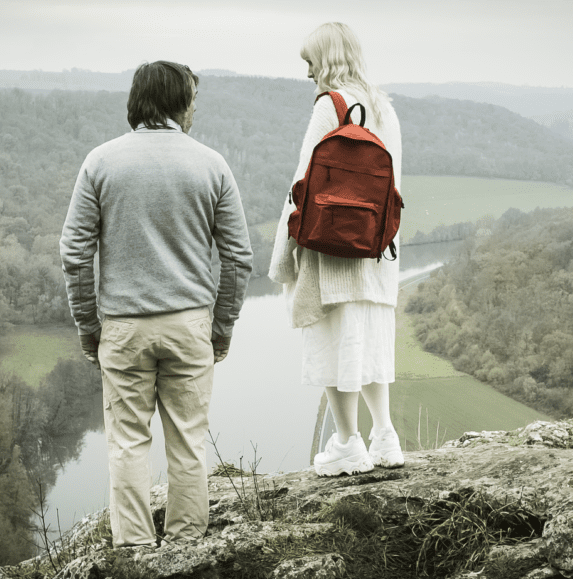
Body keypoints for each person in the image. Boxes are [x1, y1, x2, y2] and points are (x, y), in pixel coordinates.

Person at [60, 60, 253, 547]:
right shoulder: (212, 165)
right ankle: (187, 550)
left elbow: (75, 253)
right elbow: (238, 258)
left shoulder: (100, 162)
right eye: (192, 99)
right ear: (177, 102)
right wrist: (222, 327)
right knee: (189, 444)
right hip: (190, 327)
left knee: (127, 444)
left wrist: (88, 325)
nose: (194, 110)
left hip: (123, 328)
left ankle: (135, 550)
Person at [269, 23, 405, 477]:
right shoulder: (385, 107)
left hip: (332, 251)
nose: (307, 72)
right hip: (378, 248)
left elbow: (301, 188)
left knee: (335, 345)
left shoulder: (331, 107)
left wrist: (284, 254)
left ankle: (348, 443)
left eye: (310, 62)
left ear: (326, 60)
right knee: (368, 342)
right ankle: (385, 436)